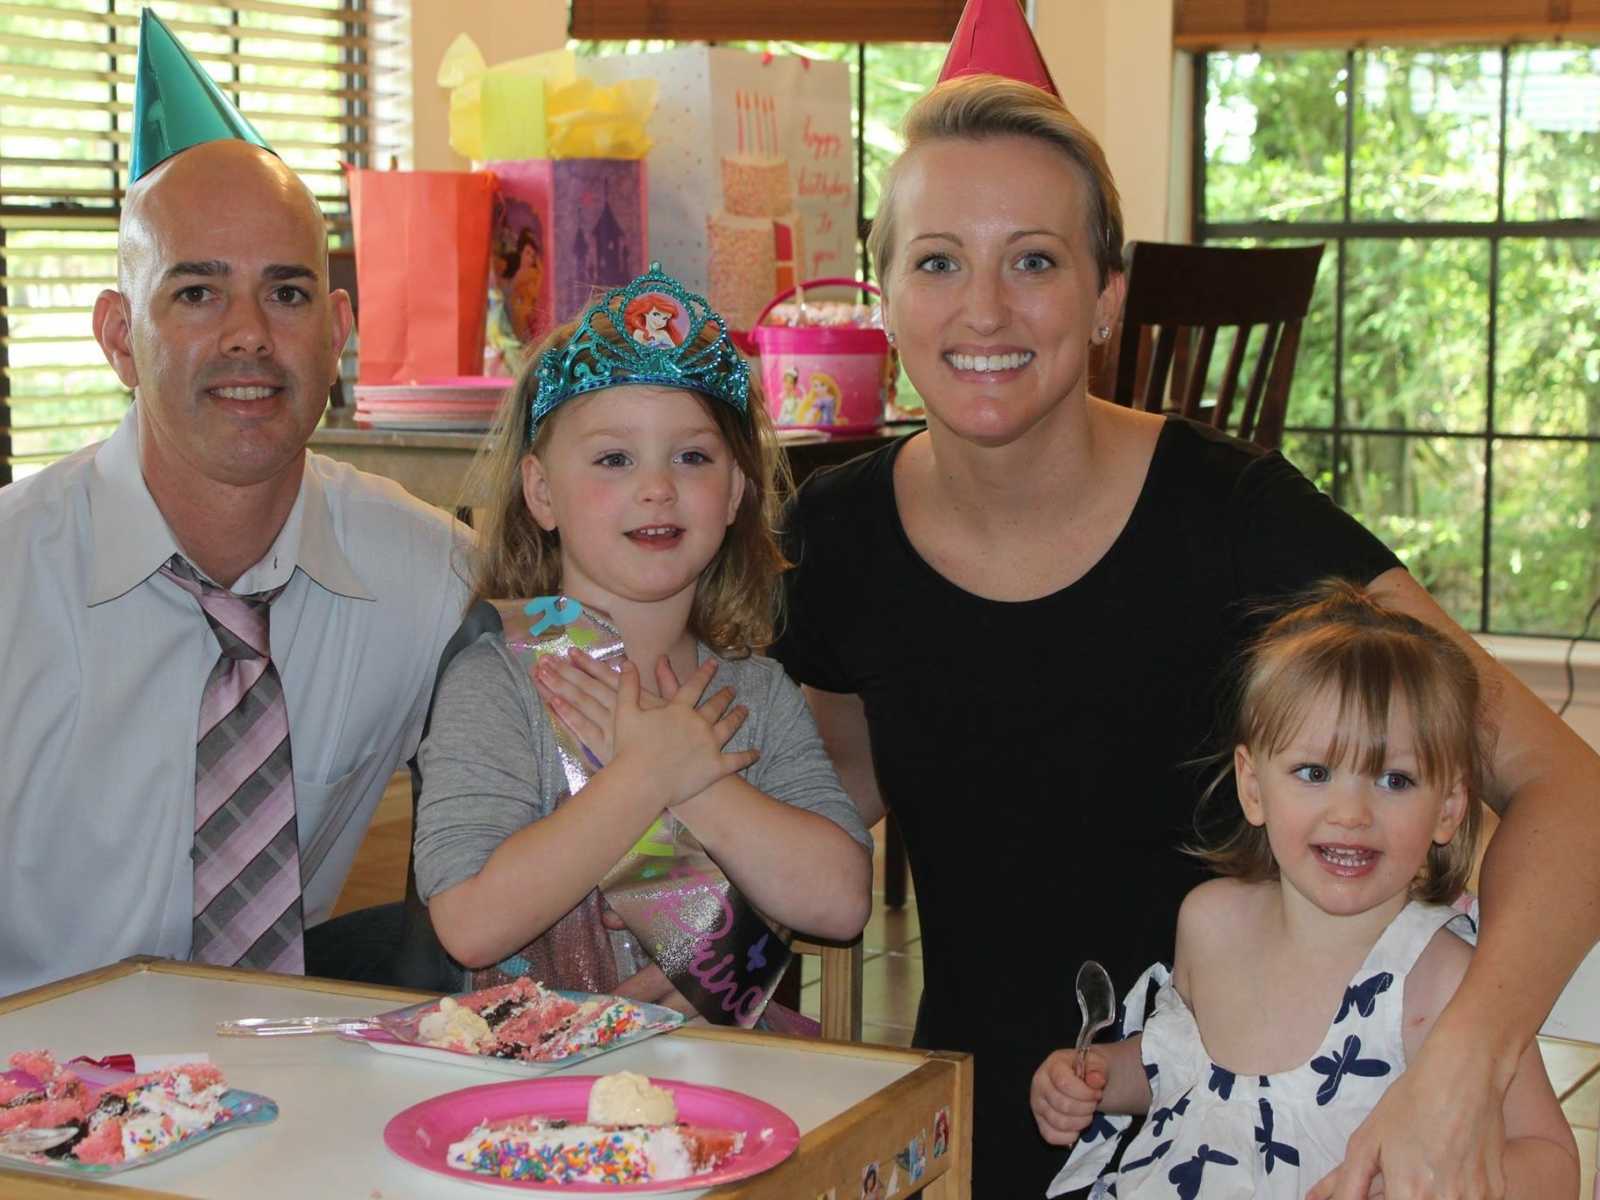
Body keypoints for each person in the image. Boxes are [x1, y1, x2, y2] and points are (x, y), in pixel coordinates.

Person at [770, 72, 1600, 1197]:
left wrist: (1462, 1061)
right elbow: (825, 793)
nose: (982, 310)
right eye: (936, 261)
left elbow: (1570, 788)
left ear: (1108, 294)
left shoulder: (1236, 522)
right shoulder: (838, 532)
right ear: (883, 291)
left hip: (1252, 1146)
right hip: (985, 1136)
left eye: (1034, 260)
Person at [0, 10, 469, 998]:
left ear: (337, 331)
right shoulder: (11, 583)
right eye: (197, 294)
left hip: (288, 1092)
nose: (249, 335)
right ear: (119, 335)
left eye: (288, 293)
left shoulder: (428, 576)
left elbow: (576, 752)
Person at [410, 264, 873, 1010]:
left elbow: (841, 901)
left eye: (692, 457)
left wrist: (700, 781)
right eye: (613, 458)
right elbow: (470, 924)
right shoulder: (501, 683)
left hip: (733, 1088)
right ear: (542, 492)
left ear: (734, 495)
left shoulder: (757, 693)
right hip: (535, 1093)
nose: (656, 487)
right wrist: (644, 777)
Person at [1033, 582, 1579, 1199]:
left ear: (1449, 807)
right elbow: (1178, 1071)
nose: (1350, 812)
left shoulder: (1440, 978)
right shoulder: (1210, 922)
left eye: (1395, 780)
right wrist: (1103, 1075)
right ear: (1253, 785)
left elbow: (1552, 1162)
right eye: (1314, 773)